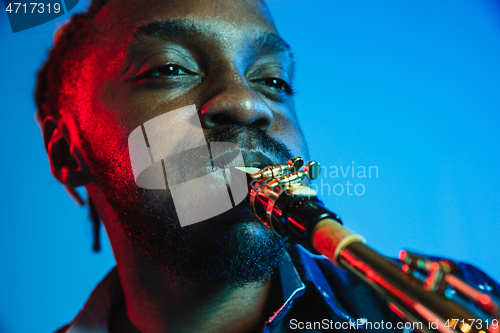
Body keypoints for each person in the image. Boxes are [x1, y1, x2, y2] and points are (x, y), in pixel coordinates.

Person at [35, 0, 499, 332]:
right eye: (169, 69)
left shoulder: (455, 309)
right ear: (66, 152)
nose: (247, 102)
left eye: (273, 79)